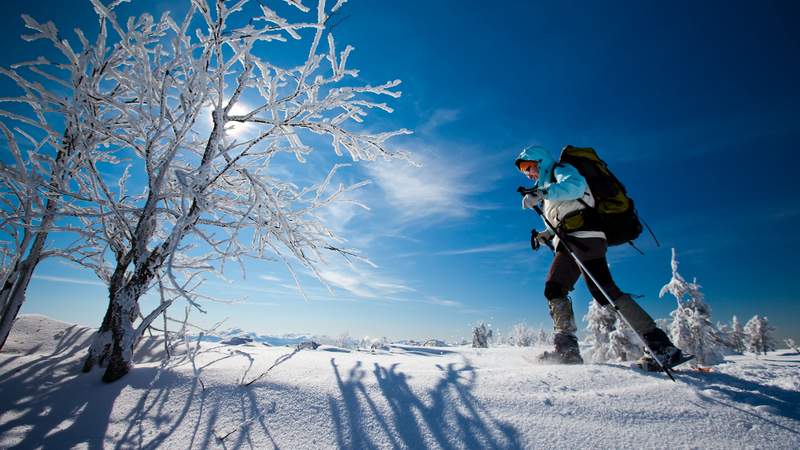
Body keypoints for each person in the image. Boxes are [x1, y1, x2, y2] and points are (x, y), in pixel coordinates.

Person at [515, 145, 685, 370]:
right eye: (523, 171)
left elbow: (576, 187)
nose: (528, 173)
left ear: (541, 161)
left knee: (566, 288)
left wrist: (542, 193)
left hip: (583, 236)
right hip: (574, 238)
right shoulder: (549, 188)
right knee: (596, 290)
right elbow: (564, 215)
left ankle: (570, 350)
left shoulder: (561, 171)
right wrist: (545, 235)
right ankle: (657, 344)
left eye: (529, 166)